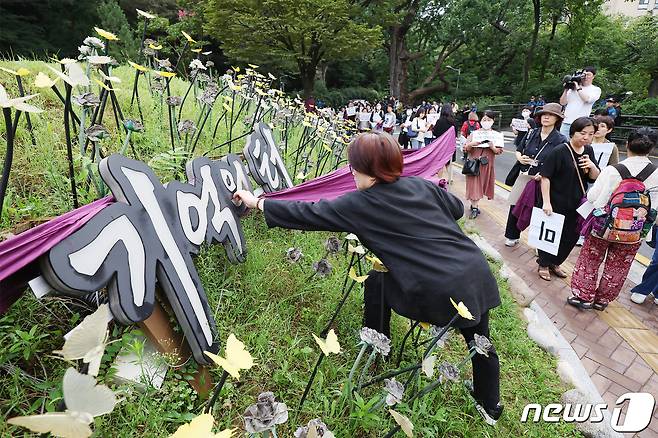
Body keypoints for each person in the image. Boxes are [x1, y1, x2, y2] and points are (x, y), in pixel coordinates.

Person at [233, 132, 503, 425]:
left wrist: (257, 202)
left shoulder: (358, 204)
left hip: (436, 289)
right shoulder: (421, 186)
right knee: (479, 340)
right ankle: (490, 405)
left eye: (353, 168)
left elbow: (307, 213)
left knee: (377, 279)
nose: (351, 174)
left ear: (362, 170)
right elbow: (457, 208)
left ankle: (376, 345)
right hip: (475, 272)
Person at [569, 128, 658, 309]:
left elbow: (593, 196)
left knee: (590, 259)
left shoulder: (613, 170)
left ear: (627, 145)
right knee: (619, 266)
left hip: (604, 226)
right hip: (636, 230)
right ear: (651, 148)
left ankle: (583, 297)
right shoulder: (656, 174)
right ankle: (602, 301)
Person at [538, 117, 600, 281]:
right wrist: (546, 202)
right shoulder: (559, 150)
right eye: (582, 133)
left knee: (570, 236)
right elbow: (545, 177)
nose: (586, 137)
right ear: (573, 132)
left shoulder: (589, 151)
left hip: (577, 203)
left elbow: (594, 178)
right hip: (556, 200)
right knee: (550, 234)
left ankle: (555, 262)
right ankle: (543, 263)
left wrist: (592, 166)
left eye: (590, 134)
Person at [504, 103, 568, 247]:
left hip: (544, 179)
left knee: (539, 210)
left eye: (551, 115)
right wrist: (519, 157)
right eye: (543, 114)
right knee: (515, 205)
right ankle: (511, 235)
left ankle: (539, 243)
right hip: (525, 175)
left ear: (557, 119)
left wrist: (546, 173)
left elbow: (561, 164)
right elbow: (519, 149)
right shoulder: (531, 133)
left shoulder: (561, 140)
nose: (546, 117)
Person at [463, 111, 503, 219]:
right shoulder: (474, 134)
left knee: (481, 186)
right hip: (474, 164)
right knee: (474, 185)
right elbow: (465, 148)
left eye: (489, 120)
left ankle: (474, 205)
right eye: (484, 120)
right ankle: (475, 207)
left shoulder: (496, 135)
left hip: (487, 164)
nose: (486, 122)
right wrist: (471, 144)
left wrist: (492, 147)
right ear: (480, 121)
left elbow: (498, 151)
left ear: (493, 121)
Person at [559, 66, 602, 137]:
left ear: (593, 76)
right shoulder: (572, 89)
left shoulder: (595, 89)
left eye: (588, 75)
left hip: (581, 124)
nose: (585, 77)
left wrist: (577, 86)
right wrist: (566, 89)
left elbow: (586, 99)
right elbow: (562, 102)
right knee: (563, 144)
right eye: (584, 74)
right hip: (566, 122)